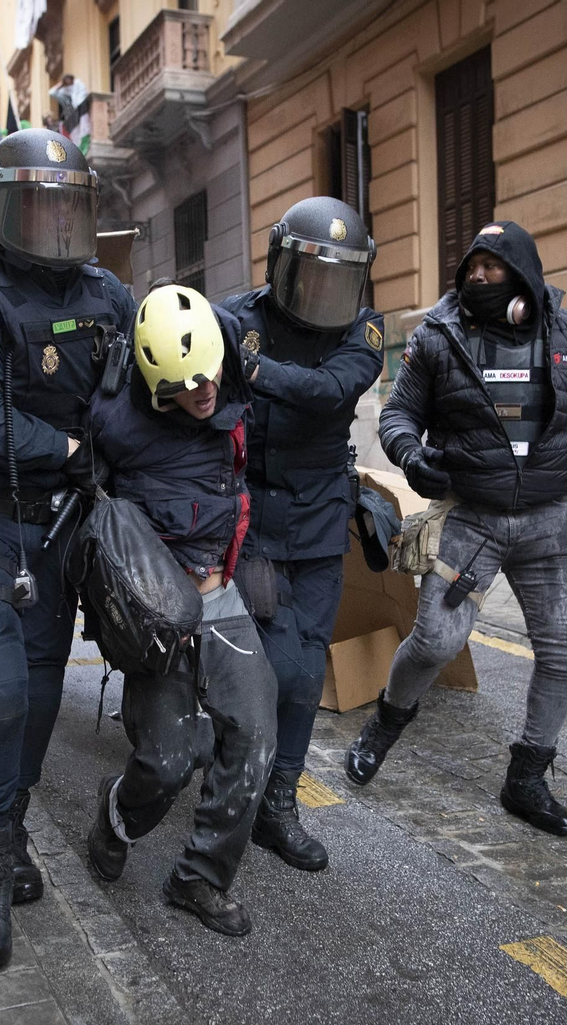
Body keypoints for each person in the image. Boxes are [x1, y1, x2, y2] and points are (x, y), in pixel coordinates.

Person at [346, 220, 567, 838]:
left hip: (547, 525)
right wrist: (411, 456)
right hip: (470, 518)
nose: (477, 276)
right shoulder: (437, 338)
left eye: (492, 266)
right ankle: (385, 724)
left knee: (563, 651)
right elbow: (398, 414)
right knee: (435, 642)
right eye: (471, 267)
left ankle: (526, 778)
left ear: (523, 272)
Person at [0, 128, 136, 968]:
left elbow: (141, 390)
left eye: (64, 206)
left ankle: (11, 831)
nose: (53, 224)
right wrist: (74, 449)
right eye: (36, 207)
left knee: (43, 690)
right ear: (2, 210)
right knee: (1, 691)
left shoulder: (108, 295)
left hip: (62, 528)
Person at [84, 285, 275, 936]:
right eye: (185, 385)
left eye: (209, 374)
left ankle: (199, 878)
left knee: (254, 734)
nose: (203, 390)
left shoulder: (229, 361)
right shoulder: (114, 420)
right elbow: (95, 518)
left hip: (220, 592)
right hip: (157, 610)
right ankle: (116, 816)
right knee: (168, 761)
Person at [219, 196, 383, 873]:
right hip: (252, 517)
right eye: (312, 274)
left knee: (307, 666)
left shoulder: (363, 331)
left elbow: (330, 391)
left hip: (318, 519)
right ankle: (238, 776)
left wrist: (254, 371)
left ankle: (278, 804)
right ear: (281, 265)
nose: (322, 291)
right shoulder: (237, 318)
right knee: (273, 664)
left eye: (337, 279)